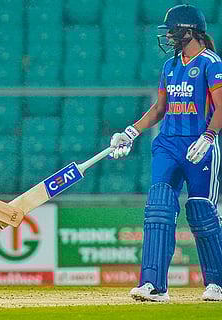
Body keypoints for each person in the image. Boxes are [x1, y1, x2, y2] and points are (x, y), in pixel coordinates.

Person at [110, 4, 222, 302]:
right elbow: (160, 109)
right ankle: (154, 285)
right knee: (158, 208)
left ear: (189, 31)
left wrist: (210, 136)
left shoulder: (212, 63)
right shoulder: (170, 67)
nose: (169, 37)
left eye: (173, 31)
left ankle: (217, 283)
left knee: (201, 212)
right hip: (168, 145)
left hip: (199, 146)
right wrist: (131, 132)